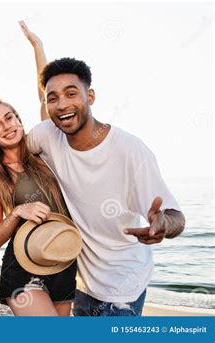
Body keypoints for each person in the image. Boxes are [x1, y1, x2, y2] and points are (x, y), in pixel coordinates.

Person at [25, 56, 186, 316]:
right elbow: (10, 154)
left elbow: (176, 216)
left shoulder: (130, 151)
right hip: (82, 284)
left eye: (71, 93)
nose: (62, 104)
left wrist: (163, 224)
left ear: (91, 96)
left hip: (124, 288)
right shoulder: (47, 136)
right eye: (52, 98)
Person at [0, 96, 77, 316]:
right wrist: (17, 212)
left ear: (19, 119)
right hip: (22, 265)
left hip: (63, 257)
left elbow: (48, 95)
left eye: (9, 118)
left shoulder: (45, 152)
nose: (6, 127)